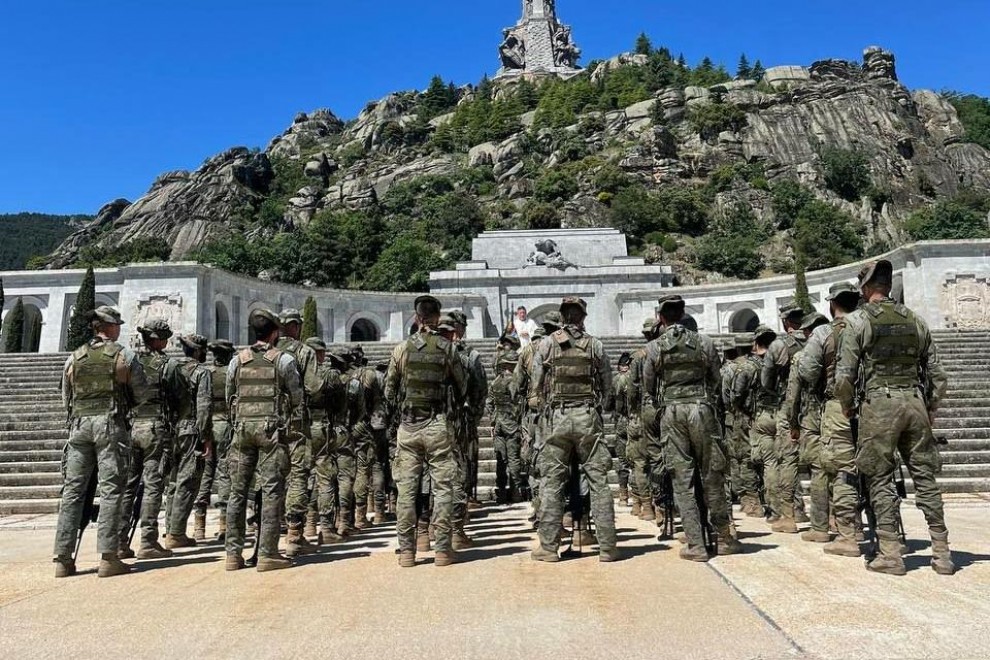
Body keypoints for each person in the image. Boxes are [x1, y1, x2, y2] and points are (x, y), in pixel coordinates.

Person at [835, 260, 954, 576]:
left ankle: (890, 553)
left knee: (880, 477)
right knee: (925, 477)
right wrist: (929, 408)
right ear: (888, 286)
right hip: (915, 402)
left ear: (865, 288)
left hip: (880, 405)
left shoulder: (858, 321)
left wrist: (846, 406)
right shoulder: (915, 319)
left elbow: (844, 375)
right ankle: (942, 553)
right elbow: (938, 375)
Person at [643, 295, 740, 561]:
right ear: (684, 313)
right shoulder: (704, 342)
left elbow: (649, 388)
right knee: (712, 474)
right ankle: (723, 537)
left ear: (661, 317)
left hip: (673, 413)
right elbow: (717, 381)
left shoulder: (654, 348)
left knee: (682, 480)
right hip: (702, 409)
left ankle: (696, 544)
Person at [54, 306, 147, 578]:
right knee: (110, 488)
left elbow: (65, 397)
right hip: (109, 425)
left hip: (79, 427)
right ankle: (108, 557)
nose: (119, 328)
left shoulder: (74, 357)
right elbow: (141, 393)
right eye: (117, 324)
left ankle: (62, 558)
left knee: (73, 490)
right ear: (108, 327)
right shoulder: (123, 355)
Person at [529, 297, 619, 563]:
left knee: (552, 483)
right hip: (587, 417)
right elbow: (607, 385)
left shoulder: (547, 343)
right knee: (599, 482)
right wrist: (596, 408)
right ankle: (608, 547)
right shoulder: (596, 345)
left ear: (562, 317)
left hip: (557, 417)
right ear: (583, 317)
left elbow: (535, 386)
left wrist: (546, 406)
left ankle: (548, 547)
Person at [384, 295, 467, 568]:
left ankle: (407, 551)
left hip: (408, 426)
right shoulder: (447, 348)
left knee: (406, 490)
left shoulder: (402, 349)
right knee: (443, 488)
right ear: (437, 318)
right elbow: (462, 384)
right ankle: (442, 550)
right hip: (436, 423)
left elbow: (389, 390)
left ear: (417, 318)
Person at [225, 309, 302, 572]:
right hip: (271, 431)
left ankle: (233, 556)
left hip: (242, 429)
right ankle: (268, 554)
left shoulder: (238, 360)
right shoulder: (284, 360)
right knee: (271, 491)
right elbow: (297, 397)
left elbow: (229, 397)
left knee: (237, 492)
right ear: (275, 332)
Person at [798, 283, 863, 557]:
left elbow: (808, 371)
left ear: (832, 304)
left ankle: (848, 535)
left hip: (838, 406)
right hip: (873, 404)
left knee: (843, 470)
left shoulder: (824, 332)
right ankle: (889, 536)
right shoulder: (867, 324)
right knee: (878, 471)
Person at [117, 319, 176, 561]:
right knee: (153, 485)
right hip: (155, 429)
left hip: (131, 427)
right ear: (160, 339)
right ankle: (149, 541)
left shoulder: (129, 362)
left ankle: (119, 542)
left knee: (128, 486)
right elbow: (180, 400)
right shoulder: (168, 365)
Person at [276, 309, 322, 557]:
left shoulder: (265, 352)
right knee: (297, 475)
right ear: (295, 326)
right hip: (295, 422)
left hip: (267, 423)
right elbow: (314, 387)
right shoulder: (304, 352)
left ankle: (269, 535)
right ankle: (294, 535)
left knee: (271, 476)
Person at [783, 313, 830, 543]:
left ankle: (820, 526)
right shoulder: (844, 348)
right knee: (844, 468)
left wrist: (793, 424)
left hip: (812, 417)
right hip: (842, 413)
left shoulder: (802, 357)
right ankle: (850, 524)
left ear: (809, 333)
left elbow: (792, 396)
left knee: (819, 470)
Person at [762, 302, 809, 533]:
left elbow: (766, 380)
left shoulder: (779, 345)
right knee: (823, 462)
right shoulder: (816, 338)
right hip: (816, 407)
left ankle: (790, 515)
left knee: (787, 460)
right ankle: (830, 518)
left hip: (788, 407)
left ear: (785, 321)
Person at [163, 334, 213, 549]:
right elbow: (203, 407)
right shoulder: (201, 373)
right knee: (188, 480)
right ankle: (176, 532)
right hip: (190, 429)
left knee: (173, 482)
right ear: (199, 351)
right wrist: (205, 437)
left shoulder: (170, 369)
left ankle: (169, 530)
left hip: (170, 429)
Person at [305, 337, 349, 545]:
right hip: (321, 426)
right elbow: (340, 404)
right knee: (324, 477)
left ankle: (305, 525)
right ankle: (326, 528)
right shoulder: (328, 374)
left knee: (301, 477)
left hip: (298, 429)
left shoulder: (294, 370)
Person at [732, 325, 778, 519]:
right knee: (778, 462)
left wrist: (742, 411)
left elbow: (736, 395)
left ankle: (754, 503)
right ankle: (792, 507)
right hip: (779, 414)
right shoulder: (781, 362)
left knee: (749, 460)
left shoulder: (747, 367)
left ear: (755, 343)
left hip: (753, 416)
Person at [194, 339, 236, 542]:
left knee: (206, 474)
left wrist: (203, 434)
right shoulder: (232, 373)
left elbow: (202, 405)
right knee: (225, 475)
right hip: (227, 426)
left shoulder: (206, 374)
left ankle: (199, 526)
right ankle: (224, 524)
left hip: (208, 425)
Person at [626, 317, 660, 521]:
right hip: (663, 411)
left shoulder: (638, 356)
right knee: (661, 459)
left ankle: (647, 506)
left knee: (640, 463)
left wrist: (633, 412)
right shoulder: (664, 349)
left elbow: (631, 389)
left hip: (642, 412)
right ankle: (664, 504)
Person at [726, 334, 760, 515]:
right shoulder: (760, 363)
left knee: (742, 458)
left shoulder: (737, 368)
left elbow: (733, 396)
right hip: (759, 413)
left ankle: (750, 500)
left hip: (741, 416)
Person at [487, 344, 525, 504]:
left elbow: (489, 403)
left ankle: (501, 492)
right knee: (514, 459)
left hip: (498, 425)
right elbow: (521, 404)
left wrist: (494, 419)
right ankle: (516, 491)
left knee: (500, 460)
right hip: (512, 425)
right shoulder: (515, 382)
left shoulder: (495, 382)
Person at [611, 353, 633, 506]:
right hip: (637, 421)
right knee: (640, 461)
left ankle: (623, 496)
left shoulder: (616, 380)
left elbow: (608, 403)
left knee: (623, 461)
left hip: (621, 421)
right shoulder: (639, 378)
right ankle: (643, 502)